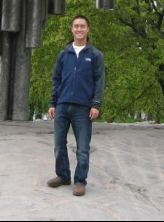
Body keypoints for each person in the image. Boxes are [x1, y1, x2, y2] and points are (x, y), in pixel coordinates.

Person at [46, 14, 106, 197]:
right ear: (71, 29)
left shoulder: (95, 55)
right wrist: (52, 102)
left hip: (83, 108)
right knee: (58, 144)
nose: (79, 29)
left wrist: (96, 104)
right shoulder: (64, 54)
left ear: (88, 29)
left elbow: (99, 81)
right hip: (62, 105)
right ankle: (63, 175)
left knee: (83, 147)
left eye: (82, 26)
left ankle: (80, 181)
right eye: (76, 26)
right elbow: (56, 80)